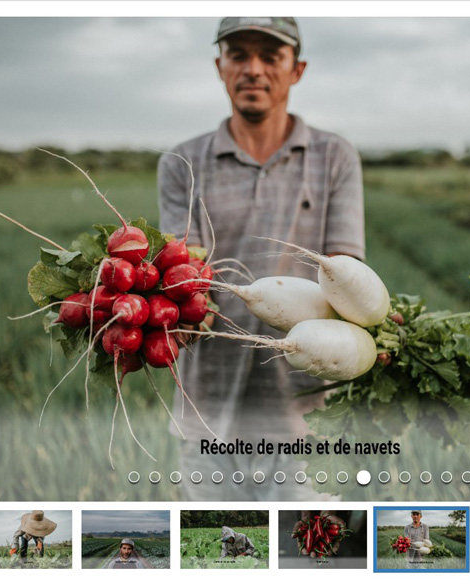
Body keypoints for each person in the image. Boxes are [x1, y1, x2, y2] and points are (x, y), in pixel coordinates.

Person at [158, 17, 365, 499]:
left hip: (305, 416)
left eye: (270, 56)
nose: (253, 68)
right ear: (220, 66)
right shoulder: (181, 162)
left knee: (306, 560)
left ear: (297, 70)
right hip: (205, 409)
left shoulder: (334, 156)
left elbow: (347, 268)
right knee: (212, 554)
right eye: (238, 55)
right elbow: (178, 271)